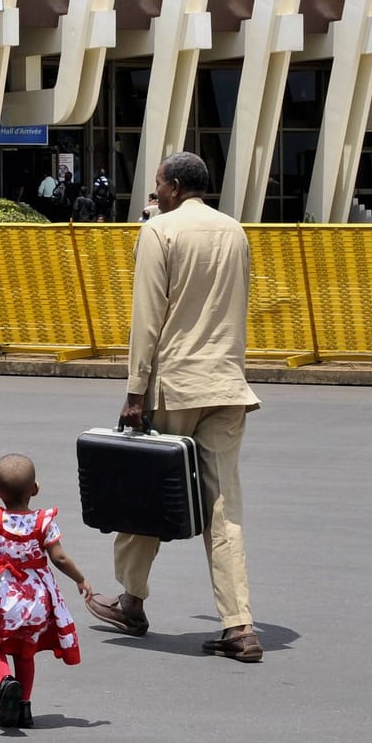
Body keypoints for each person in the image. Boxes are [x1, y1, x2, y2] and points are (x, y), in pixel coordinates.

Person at [86, 151, 264, 663]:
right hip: (227, 384)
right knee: (223, 508)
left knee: (147, 491)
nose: (155, 193)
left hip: (175, 385)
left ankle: (131, 600)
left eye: (158, 185)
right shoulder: (235, 231)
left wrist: (134, 391)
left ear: (175, 186)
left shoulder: (160, 231)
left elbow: (148, 317)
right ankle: (239, 625)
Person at [0, 454, 93, 729]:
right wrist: (80, 579)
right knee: (26, 652)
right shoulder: (44, 522)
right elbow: (59, 558)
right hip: (35, 602)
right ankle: (24, 707)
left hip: (1, 600)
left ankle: (5, 683)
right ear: (35, 489)